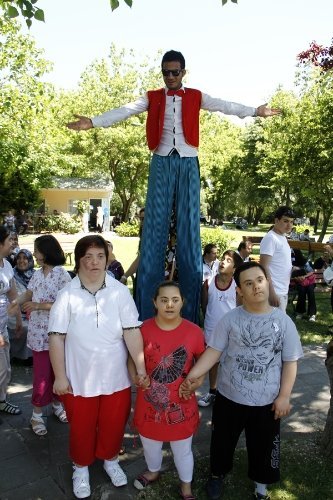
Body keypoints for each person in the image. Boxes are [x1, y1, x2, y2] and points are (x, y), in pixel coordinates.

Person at [67, 50, 280, 324]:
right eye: (166, 72)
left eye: (175, 72)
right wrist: (93, 122)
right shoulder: (152, 96)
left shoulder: (196, 96)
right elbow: (124, 110)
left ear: (183, 72)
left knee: (188, 226)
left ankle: (189, 314)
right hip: (161, 160)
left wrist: (255, 111)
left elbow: (225, 106)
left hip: (188, 161)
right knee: (154, 229)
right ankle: (145, 313)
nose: (170, 77)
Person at [179, 262, 303, 500]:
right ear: (239, 291)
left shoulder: (284, 322)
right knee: (222, 442)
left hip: (267, 403)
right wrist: (193, 376)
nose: (256, 287)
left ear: (267, 282)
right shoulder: (230, 319)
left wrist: (284, 395)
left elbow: (290, 361)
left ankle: (261, 486)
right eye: (248, 283)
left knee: (264, 447)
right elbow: (213, 352)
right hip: (229, 397)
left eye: (259, 280)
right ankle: (217, 475)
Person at [48, 235, 147, 499]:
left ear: (107, 258)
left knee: (114, 423)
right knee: (81, 426)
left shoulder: (118, 292)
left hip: (115, 377)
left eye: (100, 256)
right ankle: (80, 468)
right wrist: (59, 376)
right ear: (79, 260)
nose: (94, 262)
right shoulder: (66, 295)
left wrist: (140, 368)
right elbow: (56, 337)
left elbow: (132, 331)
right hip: (78, 379)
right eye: (88, 257)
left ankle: (111, 459)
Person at [129, 281, 205, 499]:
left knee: (183, 449)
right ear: (154, 302)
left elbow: (204, 362)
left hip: (181, 403)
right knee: (150, 444)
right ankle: (153, 471)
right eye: (164, 300)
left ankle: (186, 485)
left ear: (183, 302)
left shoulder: (194, 332)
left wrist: (197, 382)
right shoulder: (142, 329)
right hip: (148, 403)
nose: (169, 305)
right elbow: (131, 358)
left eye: (175, 300)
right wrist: (136, 375)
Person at [9, 235, 71, 436]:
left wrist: (38, 305)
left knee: (59, 373)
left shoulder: (62, 275)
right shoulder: (36, 274)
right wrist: (16, 302)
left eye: (36, 250)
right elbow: (28, 293)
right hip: (38, 335)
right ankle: (36, 415)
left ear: (46, 251)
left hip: (58, 334)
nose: (34, 253)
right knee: (42, 376)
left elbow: (67, 305)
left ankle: (57, 405)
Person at [198, 250, 243, 408]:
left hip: (231, 331)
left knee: (231, 362)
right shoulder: (208, 283)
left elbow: (240, 308)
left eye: (229, 261)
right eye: (223, 259)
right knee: (213, 363)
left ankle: (230, 394)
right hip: (212, 330)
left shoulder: (237, 287)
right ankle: (212, 391)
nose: (223, 262)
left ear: (235, 269)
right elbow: (204, 306)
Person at [0, 226, 23, 416]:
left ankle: (1, 401)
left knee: (6, 369)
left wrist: (18, 319)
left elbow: (12, 293)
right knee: (1, 369)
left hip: (3, 326)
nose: (13, 244)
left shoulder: (6, 265)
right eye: (10, 240)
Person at [260, 206, 295, 312]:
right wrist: (271, 293)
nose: (289, 225)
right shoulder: (271, 238)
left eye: (292, 222)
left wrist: (294, 269)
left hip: (283, 290)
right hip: (274, 292)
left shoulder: (283, 237)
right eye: (285, 221)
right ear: (276, 220)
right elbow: (263, 266)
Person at [7, 249, 35, 364]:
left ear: (30, 260)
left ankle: (36, 355)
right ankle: (21, 357)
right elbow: (14, 298)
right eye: (19, 258)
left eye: (25, 258)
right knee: (26, 327)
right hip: (15, 313)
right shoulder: (12, 275)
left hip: (34, 311)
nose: (21, 261)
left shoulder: (36, 275)